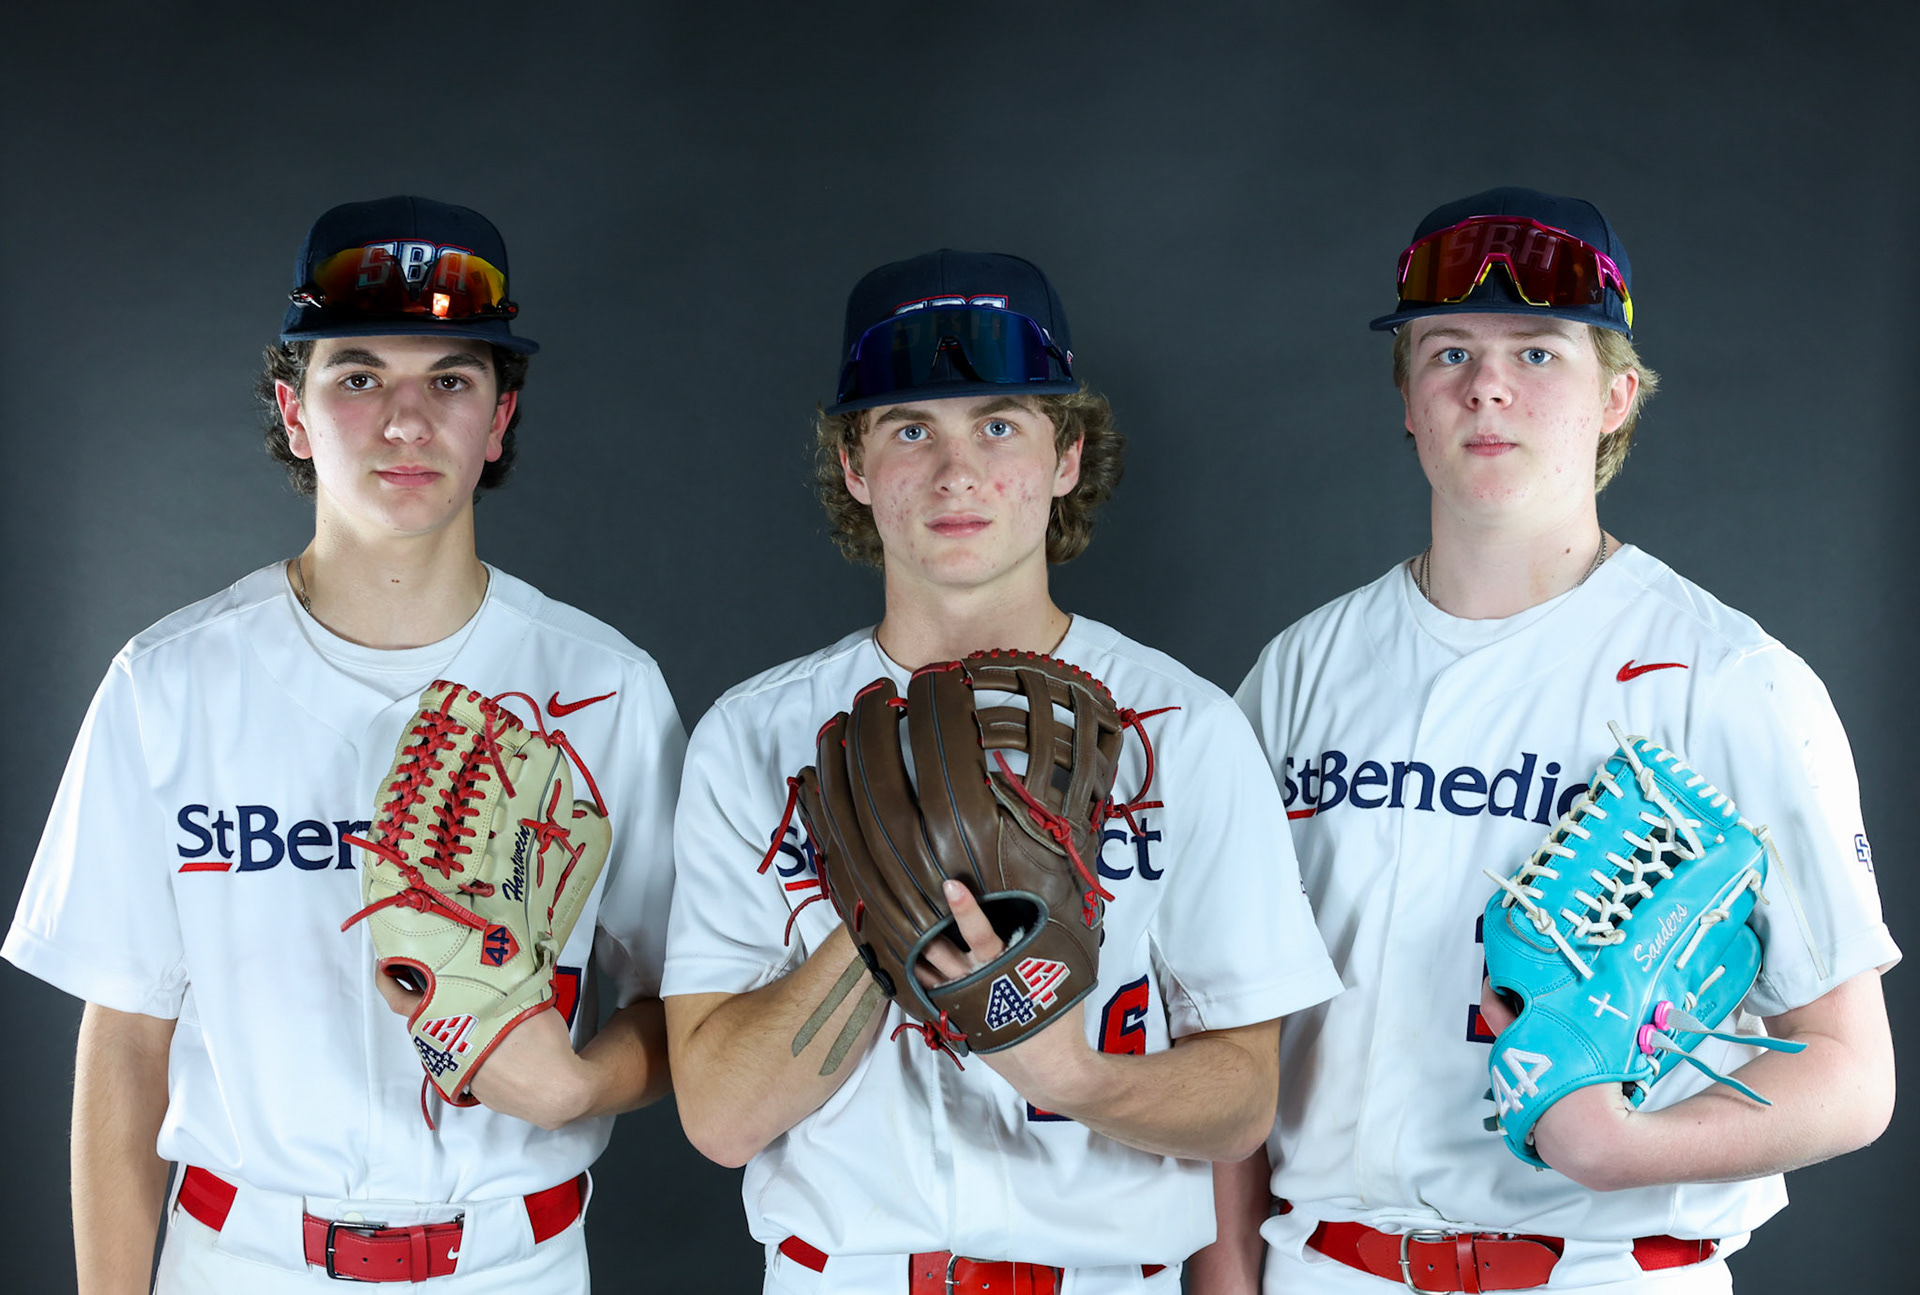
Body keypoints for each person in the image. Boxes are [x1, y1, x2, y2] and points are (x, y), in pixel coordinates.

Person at [1202, 187, 1899, 1294]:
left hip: (1607, 1268)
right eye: (1446, 352)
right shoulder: (1302, 671)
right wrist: (1229, 1271)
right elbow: (1225, 1006)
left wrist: (1624, 1145)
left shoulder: (1726, 678)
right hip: (1324, 1266)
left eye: (1539, 351)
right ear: (1407, 403)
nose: (1487, 384)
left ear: (1617, 395)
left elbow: (1856, 1073)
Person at [3, 195, 683, 1293]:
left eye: (451, 380)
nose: (403, 423)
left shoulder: (603, 687)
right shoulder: (169, 683)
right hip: (241, 1257)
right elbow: (125, 1042)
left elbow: (682, 1002)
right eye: (358, 376)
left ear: (500, 418)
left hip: (514, 1260)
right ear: (294, 406)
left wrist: (577, 1085)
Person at [662, 249, 1342, 1294]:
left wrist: (1070, 1073)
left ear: (1067, 453)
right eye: (907, 428)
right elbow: (718, 1114)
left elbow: (1244, 1099)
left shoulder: (1184, 726)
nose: (955, 471)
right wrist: (895, 888)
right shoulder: (756, 734)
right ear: (853, 464)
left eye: (998, 423)